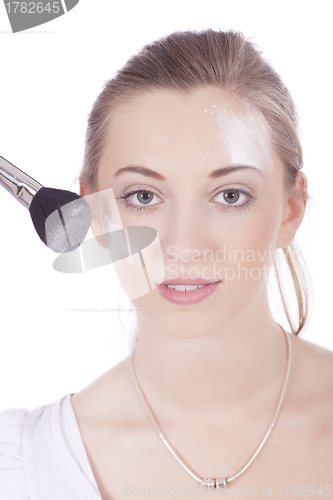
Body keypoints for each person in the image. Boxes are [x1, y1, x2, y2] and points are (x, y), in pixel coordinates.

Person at [1, 28, 333, 499]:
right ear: (90, 213)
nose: (183, 245)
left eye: (230, 195)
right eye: (143, 196)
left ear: (290, 208)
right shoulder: (20, 470)